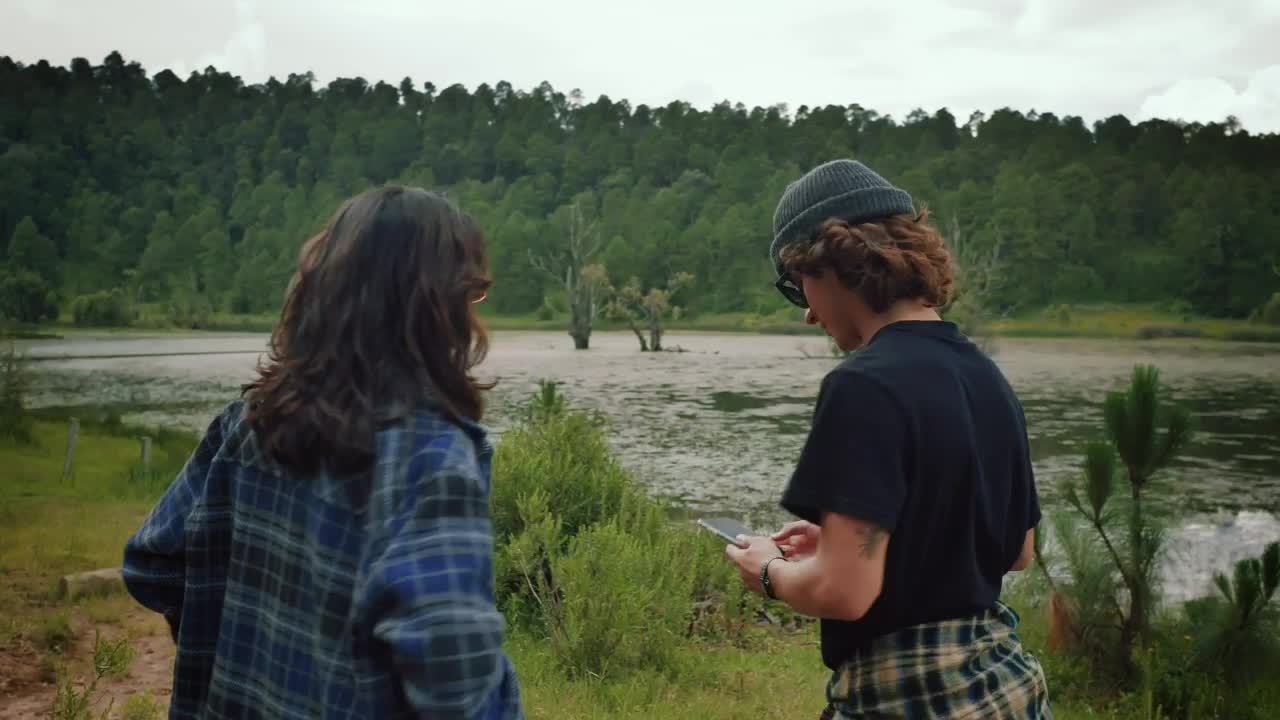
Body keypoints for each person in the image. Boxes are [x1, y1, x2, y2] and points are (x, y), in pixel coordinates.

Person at [122, 186, 523, 720]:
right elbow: (459, 689)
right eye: (471, 296)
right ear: (436, 307)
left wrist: (233, 646)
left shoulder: (246, 424)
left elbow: (154, 563)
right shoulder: (430, 460)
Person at [726, 159, 1051, 719]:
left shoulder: (863, 385)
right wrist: (846, 537)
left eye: (794, 284)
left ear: (827, 265)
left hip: (908, 699)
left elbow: (844, 593)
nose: (806, 312)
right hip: (1007, 691)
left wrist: (768, 570)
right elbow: (1016, 551)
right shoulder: (986, 375)